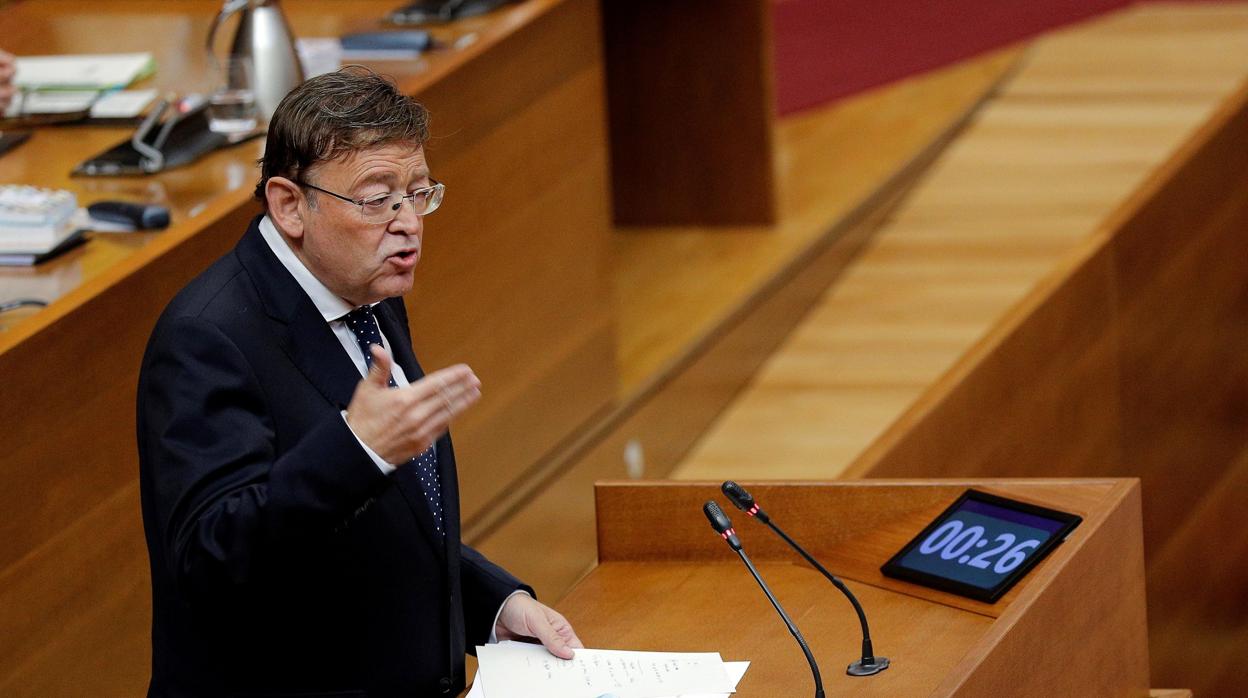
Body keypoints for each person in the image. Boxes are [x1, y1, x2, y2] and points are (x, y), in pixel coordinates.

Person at [137, 67, 582, 697]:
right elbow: (211, 560)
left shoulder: (366, 291)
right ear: (290, 205)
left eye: (418, 193)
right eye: (377, 199)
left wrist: (495, 604)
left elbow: (393, 524)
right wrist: (356, 449)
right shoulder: (207, 338)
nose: (409, 222)